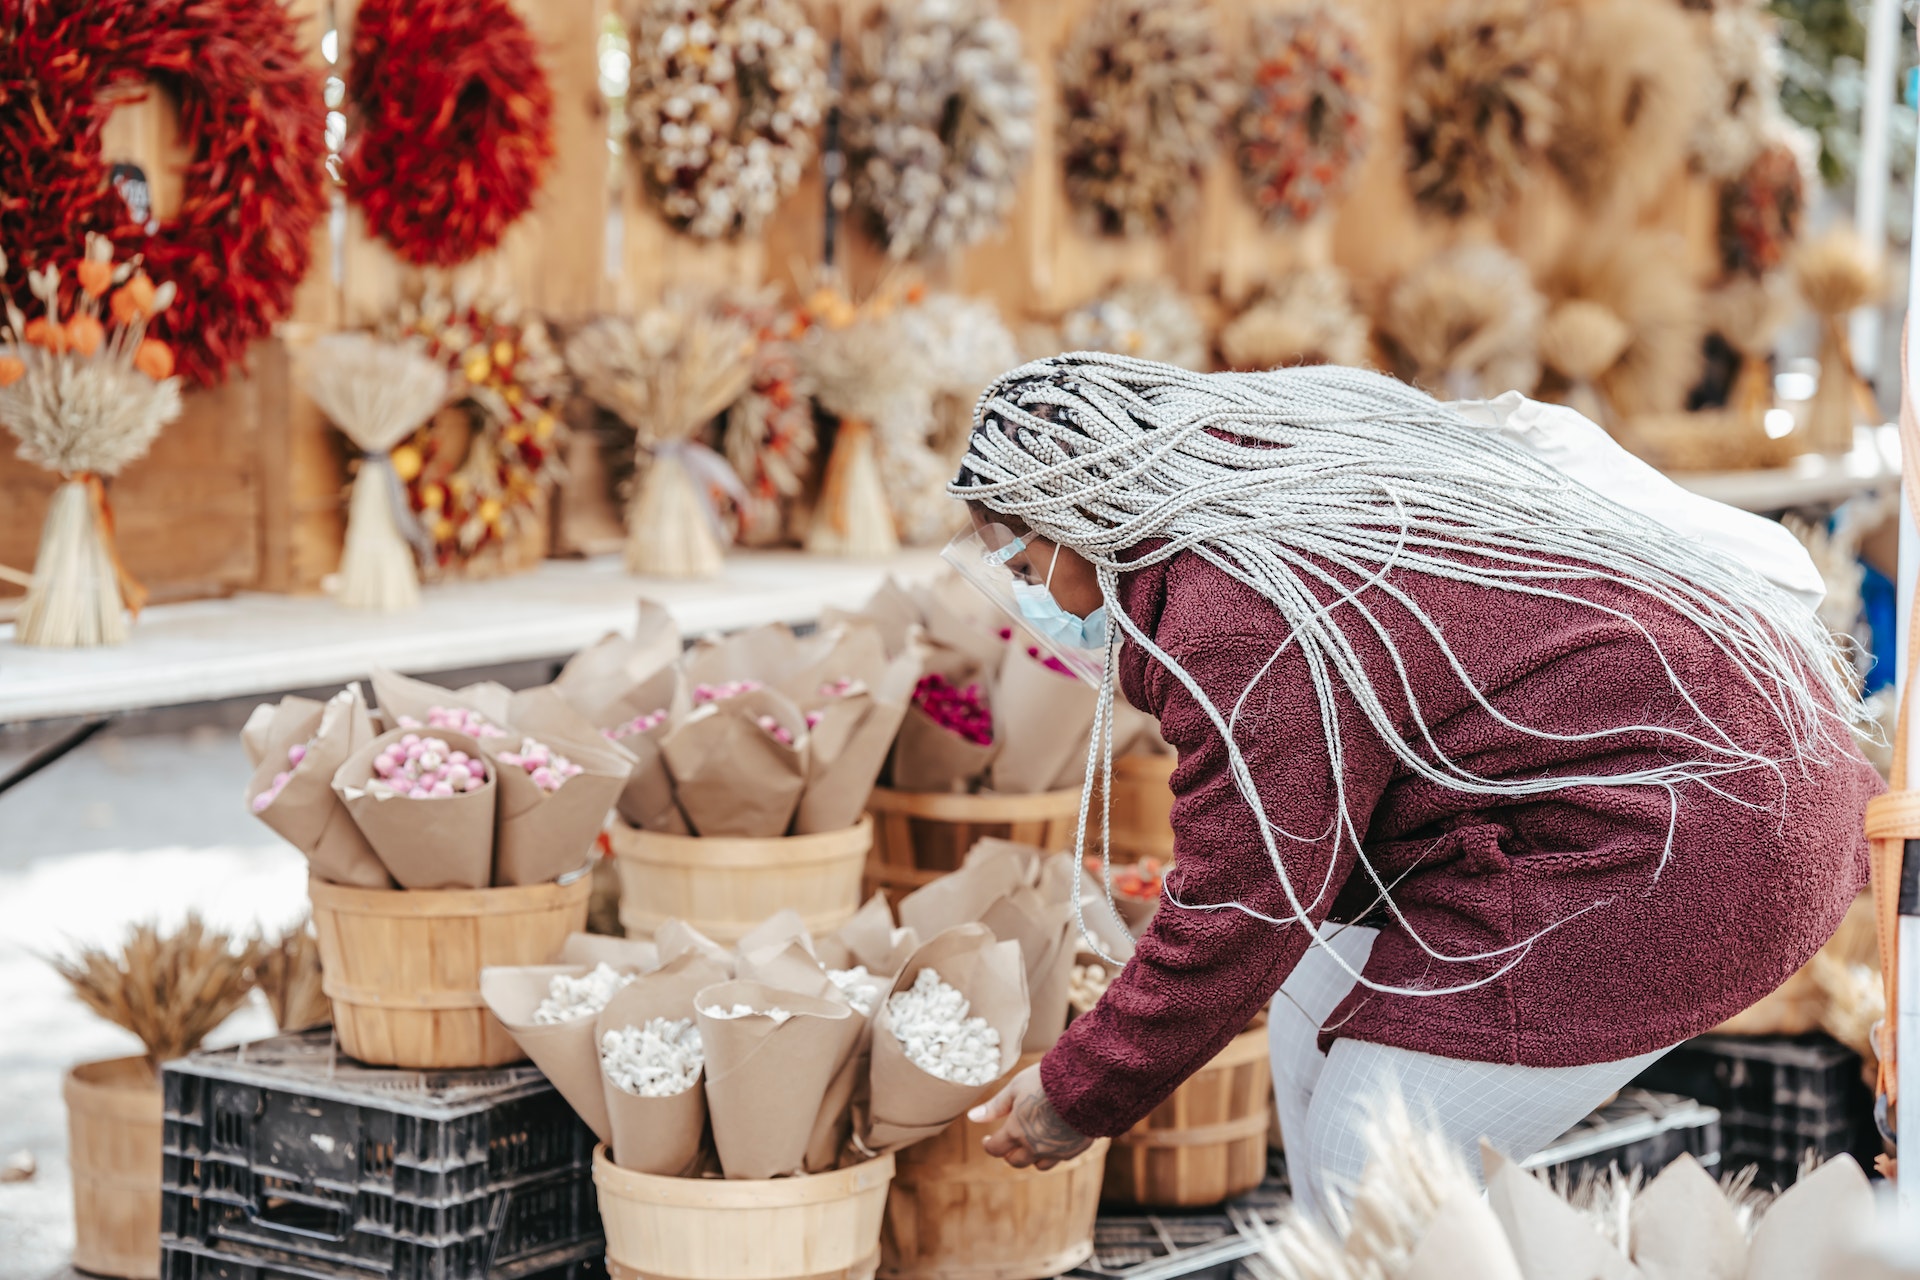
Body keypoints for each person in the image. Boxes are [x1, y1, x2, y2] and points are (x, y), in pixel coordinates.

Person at [951, 356, 1881, 1219]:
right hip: (1671, 777)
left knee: (1371, 1164)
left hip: (1703, 828)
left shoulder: (1237, 615)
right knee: (1311, 1033)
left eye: (1030, 571)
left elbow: (1245, 903)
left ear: (1086, 520)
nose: (1039, 605)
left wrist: (1078, 1091)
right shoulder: (1263, 479)